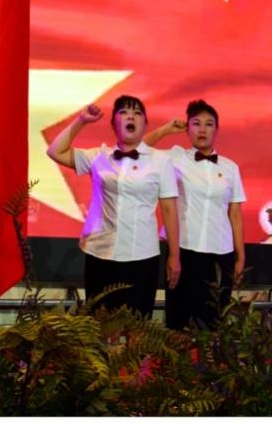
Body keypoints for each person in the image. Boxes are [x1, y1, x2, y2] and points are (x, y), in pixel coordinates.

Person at [46, 95, 180, 318]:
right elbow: (55, 151)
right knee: (99, 323)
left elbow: (169, 209)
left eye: (137, 113)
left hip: (141, 256)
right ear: (113, 124)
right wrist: (81, 120)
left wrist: (174, 255)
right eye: (124, 112)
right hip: (101, 253)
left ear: (145, 124)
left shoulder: (160, 161)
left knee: (137, 325)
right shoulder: (99, 156)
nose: (131, 116)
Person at [145, 100, 247, 330]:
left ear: (217, 130)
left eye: (209, 124)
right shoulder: (175, 158)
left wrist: (240, 257)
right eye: (196, 123)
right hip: (183, 251)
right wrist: (165, 130)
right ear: (187, 129)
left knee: (213, 323)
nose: (202, 129)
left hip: (220, 253)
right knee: (178, 323)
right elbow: (139, 150)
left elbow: (235, 213)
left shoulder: (230, 167)